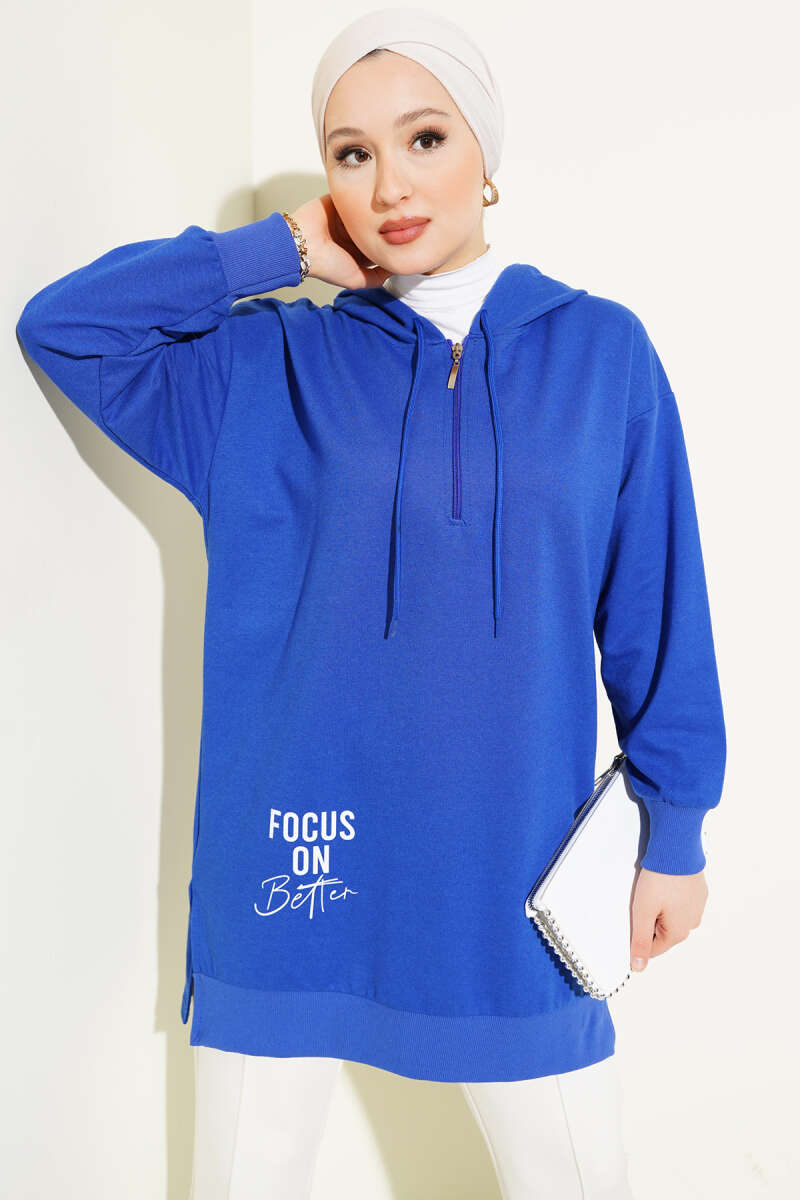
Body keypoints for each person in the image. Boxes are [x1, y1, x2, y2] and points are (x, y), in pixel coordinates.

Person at [16, 6, 726, 1198]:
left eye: (424, 138)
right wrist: (278, 246)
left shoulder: (602, 356)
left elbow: (660, 612)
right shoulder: (264, 365)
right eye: (351, 153)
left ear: (485, 154)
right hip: (290, 868)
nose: (389, 183)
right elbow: (66, 328)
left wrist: (677, 829)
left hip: (515, 877)